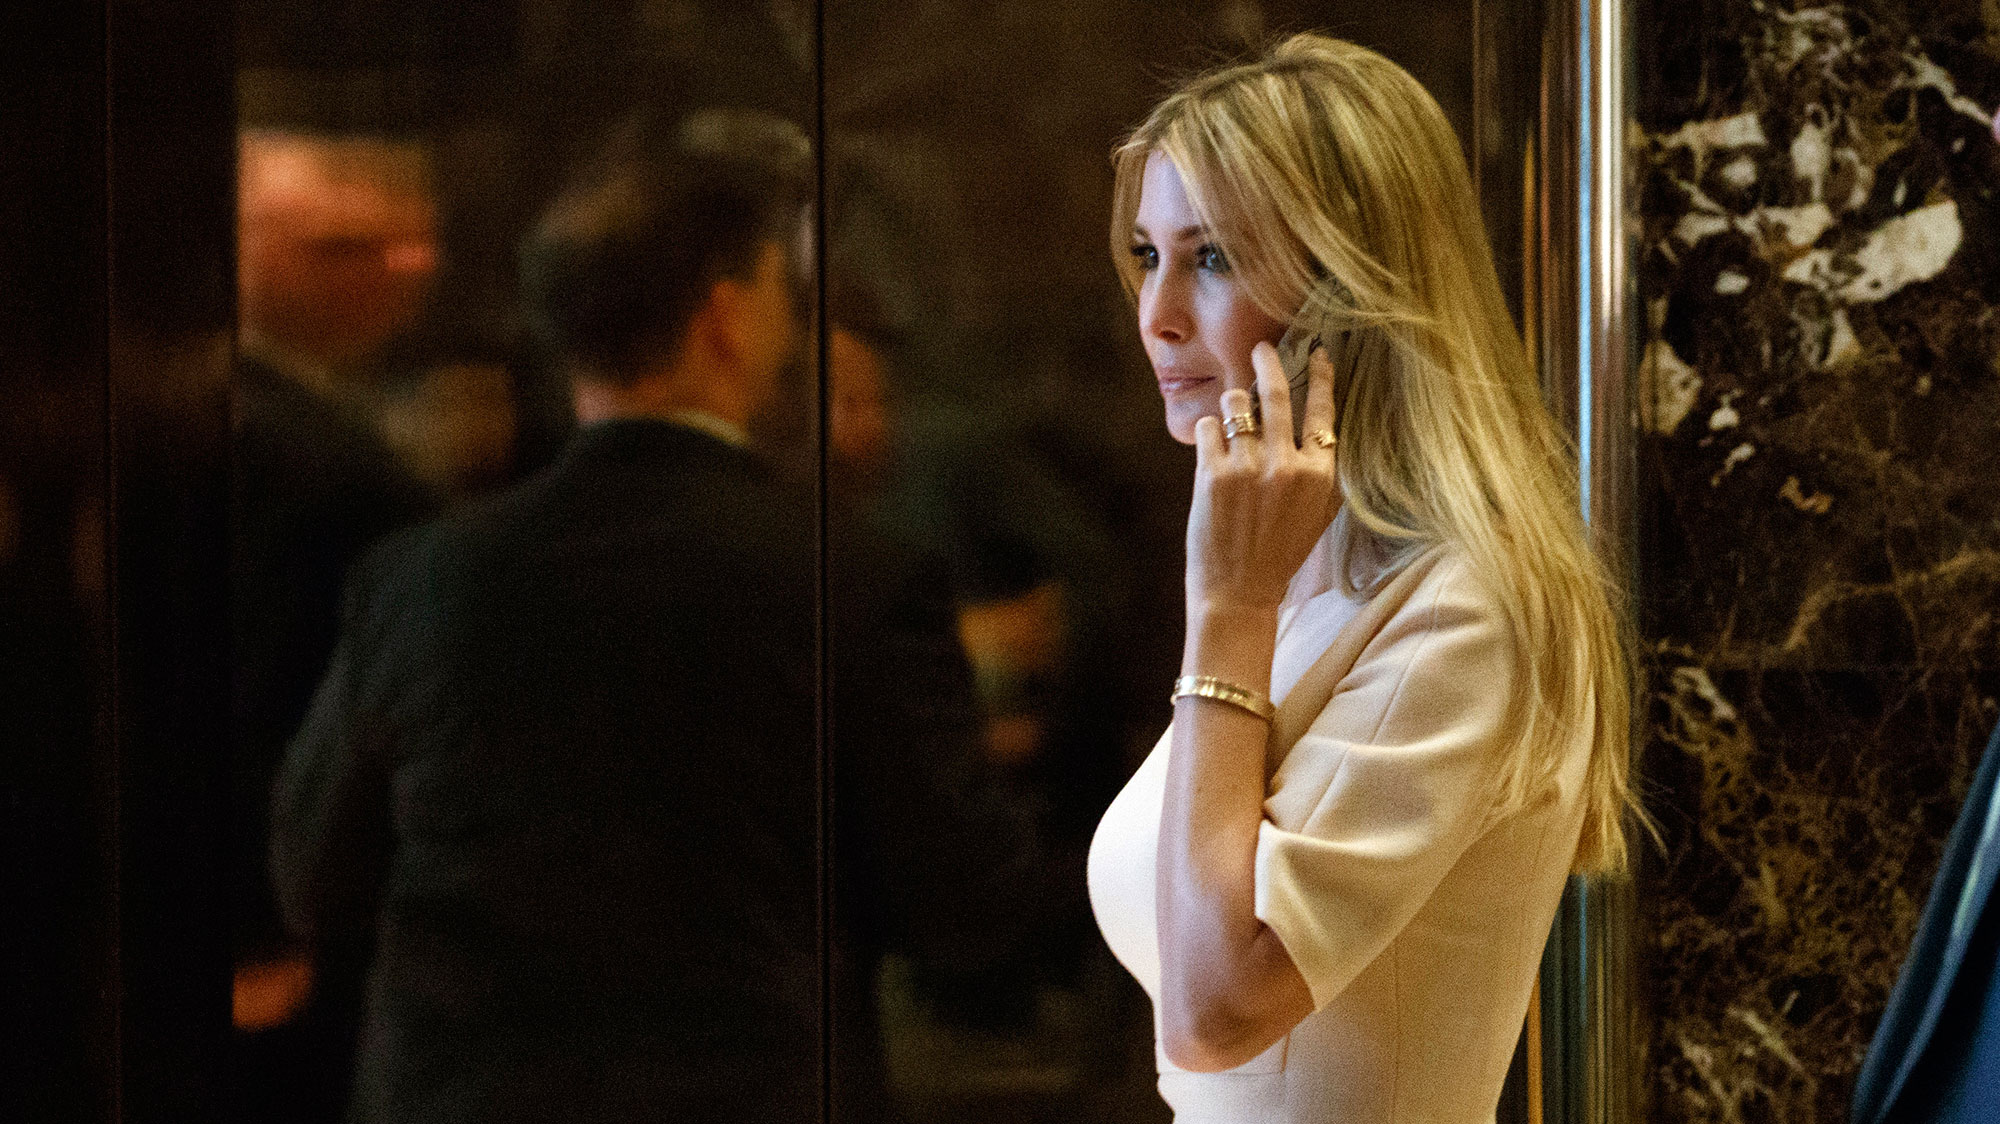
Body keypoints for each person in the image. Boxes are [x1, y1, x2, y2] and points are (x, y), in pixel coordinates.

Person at [271, 106, 1035, 1124]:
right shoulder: (852, 576)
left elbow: (315, 875)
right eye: (780, 294)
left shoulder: (416, 576)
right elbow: (964, 903)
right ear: (725, 314)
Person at [1085, 35, 1643, 1123]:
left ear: (1349, 290)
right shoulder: (1315, 578)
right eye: (1148, 254)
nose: (1156, 313)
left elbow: (1215, 1013)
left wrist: (1229, 609)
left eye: (1211, 257)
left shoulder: (1466, 606)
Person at [231, 127, 441, 1124]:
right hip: (290, 927)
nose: (403, 270)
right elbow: (249, 692)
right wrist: (259, 920)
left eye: (410, 242)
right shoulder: (288, 450)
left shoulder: (316, 430)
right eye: (341, 246)